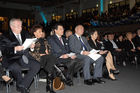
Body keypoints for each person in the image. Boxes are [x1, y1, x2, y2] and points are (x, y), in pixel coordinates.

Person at [2, 18, 40, 93]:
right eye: (18, 26)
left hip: (24, 57)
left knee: (37, 65)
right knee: (16, 67)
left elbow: (29, 44)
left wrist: (31, 47)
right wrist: (15, 49)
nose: (20, 28)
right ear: (12, 27)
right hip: (11, 59)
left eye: (21, 26)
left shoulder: (25, 33)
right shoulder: (5, 36)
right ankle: (22, 86)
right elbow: (4, 50)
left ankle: (22, 85)